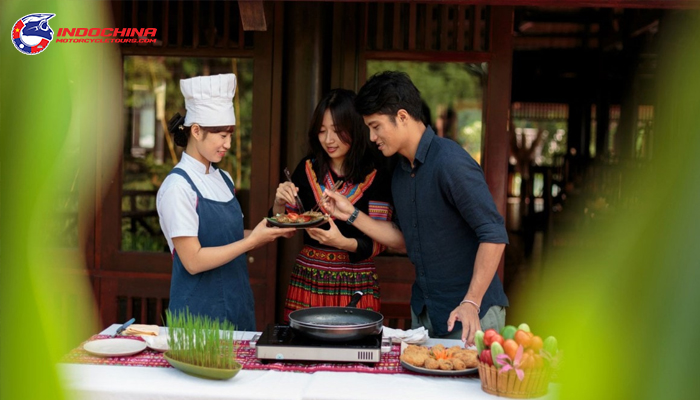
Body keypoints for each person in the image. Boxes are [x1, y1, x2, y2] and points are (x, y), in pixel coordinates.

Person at [323, 71, 509, 345]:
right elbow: (404, 240)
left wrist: (471, 301)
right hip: (425, 312)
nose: (372, 137)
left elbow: (493, 234)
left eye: (375, 126)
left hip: (471, 313)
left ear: (402, 117)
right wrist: (349, 213)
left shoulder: (450, 162)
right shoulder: (400, 171)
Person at [157, 74, 294, 330]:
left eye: (230, 134)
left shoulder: (224, 178)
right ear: (195, 131)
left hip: (237, 303)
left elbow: (227, 236)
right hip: (197, 315)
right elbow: (193, 260)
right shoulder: (178, 187)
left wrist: (274, 227)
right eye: (221, 135)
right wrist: (252, 241)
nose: (228, 144)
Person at [271, 89, 393, 321]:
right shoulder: (307, 169)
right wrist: (279, 204)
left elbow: (382, 240)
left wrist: (344, 243)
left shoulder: (376, 174)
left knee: (354, 349)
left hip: (357, 280)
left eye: (337, 131)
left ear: (356, 127)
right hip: (309, 279)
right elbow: (283, 226)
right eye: (322, 131)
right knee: (305, 350)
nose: (328, 140)